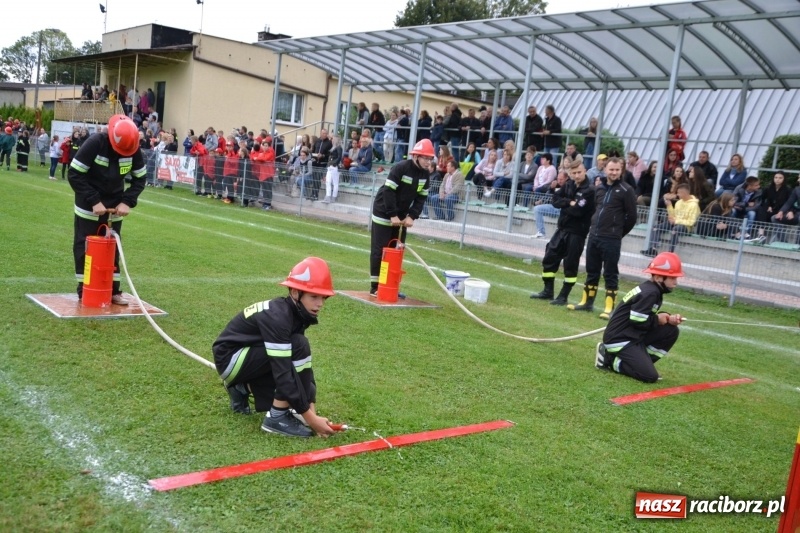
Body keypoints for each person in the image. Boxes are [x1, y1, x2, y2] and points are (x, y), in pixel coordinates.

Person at [212, 257, 337, 438]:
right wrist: (310, 419)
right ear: (295, 293)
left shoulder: (296, 313)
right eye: (314, 296)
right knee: (293, 355)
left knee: (297, 352)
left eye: (323, 297)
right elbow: (283, 371)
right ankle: (276, 419)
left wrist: (311, 411)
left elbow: (303, 371)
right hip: (230, 359)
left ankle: (241, 388)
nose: (320, 303)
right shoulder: (279, 318)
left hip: (249, 354)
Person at [67, 115, 146, 305]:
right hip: (88, 205)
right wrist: (94, 201)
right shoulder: (95, 143)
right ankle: (84, 289)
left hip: (115, 207)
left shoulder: (133, 148)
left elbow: (140, 179)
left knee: (112, 248)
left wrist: (127, 202)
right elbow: (75, 174)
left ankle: (114, 290)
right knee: (84, 248)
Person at [594, 252, 685, 383]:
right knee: (649, 377)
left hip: (632, 335)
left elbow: (644, 315)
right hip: (620, 339)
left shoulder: (653, 290)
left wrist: (668, 318)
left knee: (671, 330)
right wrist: (657, 319)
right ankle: (609, 359)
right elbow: (637, 320)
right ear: (659, 277)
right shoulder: (650, 292)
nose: (676, 283)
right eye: (672, 278)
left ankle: (642, 363)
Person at [568, 157, 637, 319]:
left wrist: (618, 233)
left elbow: (632, 217)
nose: (613, 172)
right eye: (611, 169)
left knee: (610, 273)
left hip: (611, 239)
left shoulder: (627, 190)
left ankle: (609, 308)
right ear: (605, 169)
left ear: (621, 170)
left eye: (617, 170)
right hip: (594, 236)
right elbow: (595, 210)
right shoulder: (599, 188)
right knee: (592, 271)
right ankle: (586, 302)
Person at [369, 139, 433, 296]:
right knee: (381, 250)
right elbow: (388, 192)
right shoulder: (401, 168)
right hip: (384, 211)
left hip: (402, 216)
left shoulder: (425, 174)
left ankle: (390, 285)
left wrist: (412, 216)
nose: (428, 162)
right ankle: (376, 287)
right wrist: (392, 215)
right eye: (425, 158)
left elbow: (421, 197)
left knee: (396, 250)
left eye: (430, 159)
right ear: (416, 156)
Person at [530, 162, 596, 305]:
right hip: (562, 229)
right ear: (570, 173)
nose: (577, 175)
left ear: (584, 170)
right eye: (574, 173)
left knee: (570, 264)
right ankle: (548, 291)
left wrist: (566, 205)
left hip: (577, 233)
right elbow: (555, 200)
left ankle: (563, 296)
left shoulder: (590, 190)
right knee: (549, 257)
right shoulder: (569, 184)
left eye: (579, 172)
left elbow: (578, 211)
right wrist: (569, 202)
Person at [642, 183, 700, 256]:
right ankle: (653, 249)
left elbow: (691, 222)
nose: (677, 195)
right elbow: (673, 215)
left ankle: (670, 253)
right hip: (674, 222)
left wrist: (676, 221)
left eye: (678, 193)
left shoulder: (694, 205)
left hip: (685, 226)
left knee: (675, 230)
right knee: (656, 228)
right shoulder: (679, 202)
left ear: (684, 193)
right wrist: (669, 206)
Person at [322, 136, 342, 203]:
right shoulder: (333, 147)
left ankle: (334, 197)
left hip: (334, 166)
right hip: (330, 166)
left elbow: (339, 157)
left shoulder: (339, 147)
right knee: (328, 182)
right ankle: (328, 196)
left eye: (333, 139)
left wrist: (334, 163)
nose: (332, 140)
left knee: (335, 183)